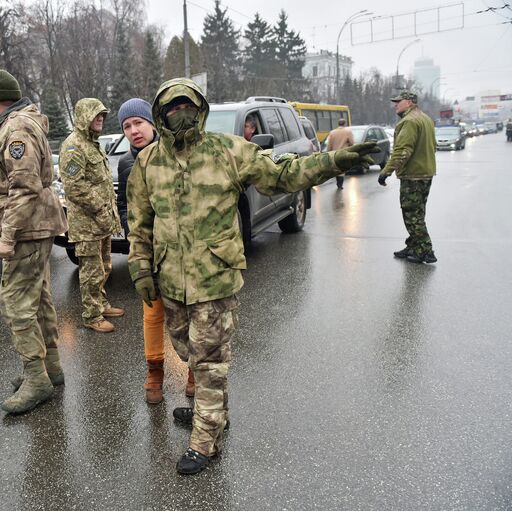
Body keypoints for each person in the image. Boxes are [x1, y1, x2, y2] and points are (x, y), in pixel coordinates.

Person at [126, 78, 379, 475]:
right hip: (171, 281)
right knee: (187, 351)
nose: (179, 114)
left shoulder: (229, 151)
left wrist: (333, 162)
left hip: (215, 277)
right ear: (161, 114)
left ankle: (206, 440)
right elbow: (139, 222)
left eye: (185, 106)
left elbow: (281, 176)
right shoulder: (148, 163)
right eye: (171, 109)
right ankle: (215, 414)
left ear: (199, 109)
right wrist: (141, 267)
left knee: (210, 364)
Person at [0, 69, 68, 415]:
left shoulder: (16, 129)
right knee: (39, 299)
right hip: (34, 227)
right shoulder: (18, 124)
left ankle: (37, 378)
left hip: (26, 231)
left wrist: (8, 235)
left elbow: (25, 185)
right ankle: (51, 368)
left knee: (16, 305)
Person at [116, 98, 195, 404]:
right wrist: (132, 229)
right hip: (147, 248)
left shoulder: (173, 152)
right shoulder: (125, 163)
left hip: (178, 250)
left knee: (187, 311)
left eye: (138, 123)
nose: (133, 130)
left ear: (152, 123)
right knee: (152, 312)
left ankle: (193, 372)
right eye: (126, 126)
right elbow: (125, 205)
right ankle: (154, 373)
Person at [58, 98, 124, 333]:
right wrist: (100, 208)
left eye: (103, 115)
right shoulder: (74, 146)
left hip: (101, 222)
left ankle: (101, 304)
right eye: (96, 115)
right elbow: (74, 187)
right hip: (87, 224)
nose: (100, 119)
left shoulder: (93, 144)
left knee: (104, 266)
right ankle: (91, 315)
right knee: (91, 271)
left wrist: (109, 214)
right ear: (84, 116)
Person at [378, 91, 437, 264]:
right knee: (418, 212)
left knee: (412, 214)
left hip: (413, 175)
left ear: (410, 102)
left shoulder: (409, 121)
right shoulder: (425, 118)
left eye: (399, 101)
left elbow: (403, 151)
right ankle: (413, 245)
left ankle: (425, 250)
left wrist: (386, 172)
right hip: (425, 173)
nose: (395, 104)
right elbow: (433, 146)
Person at [325, 118, 355, 189]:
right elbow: (352, 143)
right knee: (342, 169)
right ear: (344, 124)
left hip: (334, 153)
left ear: (338, 124)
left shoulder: (332, 132)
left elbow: (329, 145)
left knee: (336, 167)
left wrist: (328, 152)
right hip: (343, 153)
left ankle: (338, 182)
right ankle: (340, 184)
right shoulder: (348, 132)